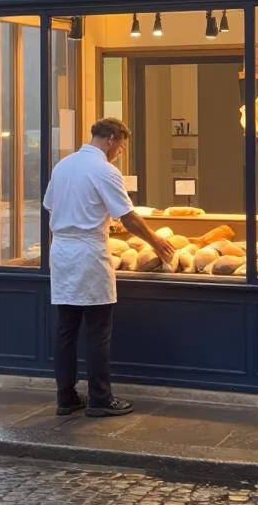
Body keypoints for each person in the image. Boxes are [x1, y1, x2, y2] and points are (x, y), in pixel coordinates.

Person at [43, 117, 175, 417]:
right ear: (112, 138)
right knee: (98, 330)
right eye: (122, 146)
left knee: (66, 328)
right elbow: (127, 216)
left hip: (62, 250)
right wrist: (156, 241)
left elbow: (51, 206)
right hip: (88, 252)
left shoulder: (63, 165)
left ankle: (65, 398)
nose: (121, 152)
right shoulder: (104, 169)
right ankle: (100, 399)